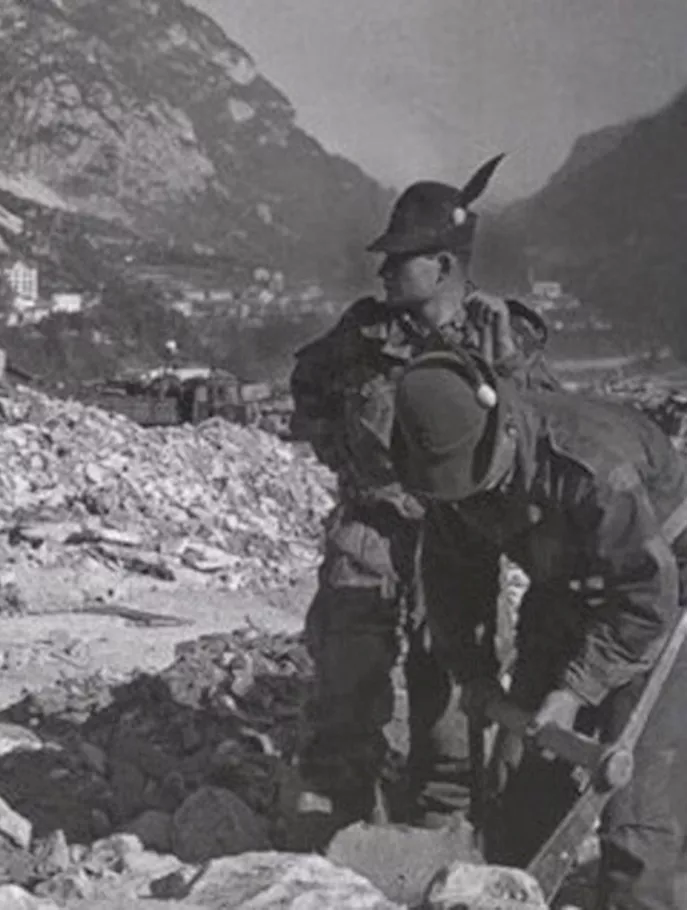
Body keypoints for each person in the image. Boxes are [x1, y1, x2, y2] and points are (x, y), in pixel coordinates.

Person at [287, 155, 559, 843]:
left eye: (400, 258)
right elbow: (309, 390)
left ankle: (444, 818)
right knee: (347, 673)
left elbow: (546, 432)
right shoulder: (361, 336)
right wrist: (347, 462)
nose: (383, 271)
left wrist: (509, 372)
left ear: (443, 265)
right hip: (372, 530)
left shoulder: (507, 339)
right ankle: (336, 819)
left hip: (462, 533)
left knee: (453, 677)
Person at [392, 349, 688, 910]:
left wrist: (574, 691)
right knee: (521, 784)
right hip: (566, 590)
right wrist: (475, 677)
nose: (467, 501)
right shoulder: (453, 478)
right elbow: (454, 583)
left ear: (497, 427)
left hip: (665, 595)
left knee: (636, 809)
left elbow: (646, 599)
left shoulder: (591, 465)